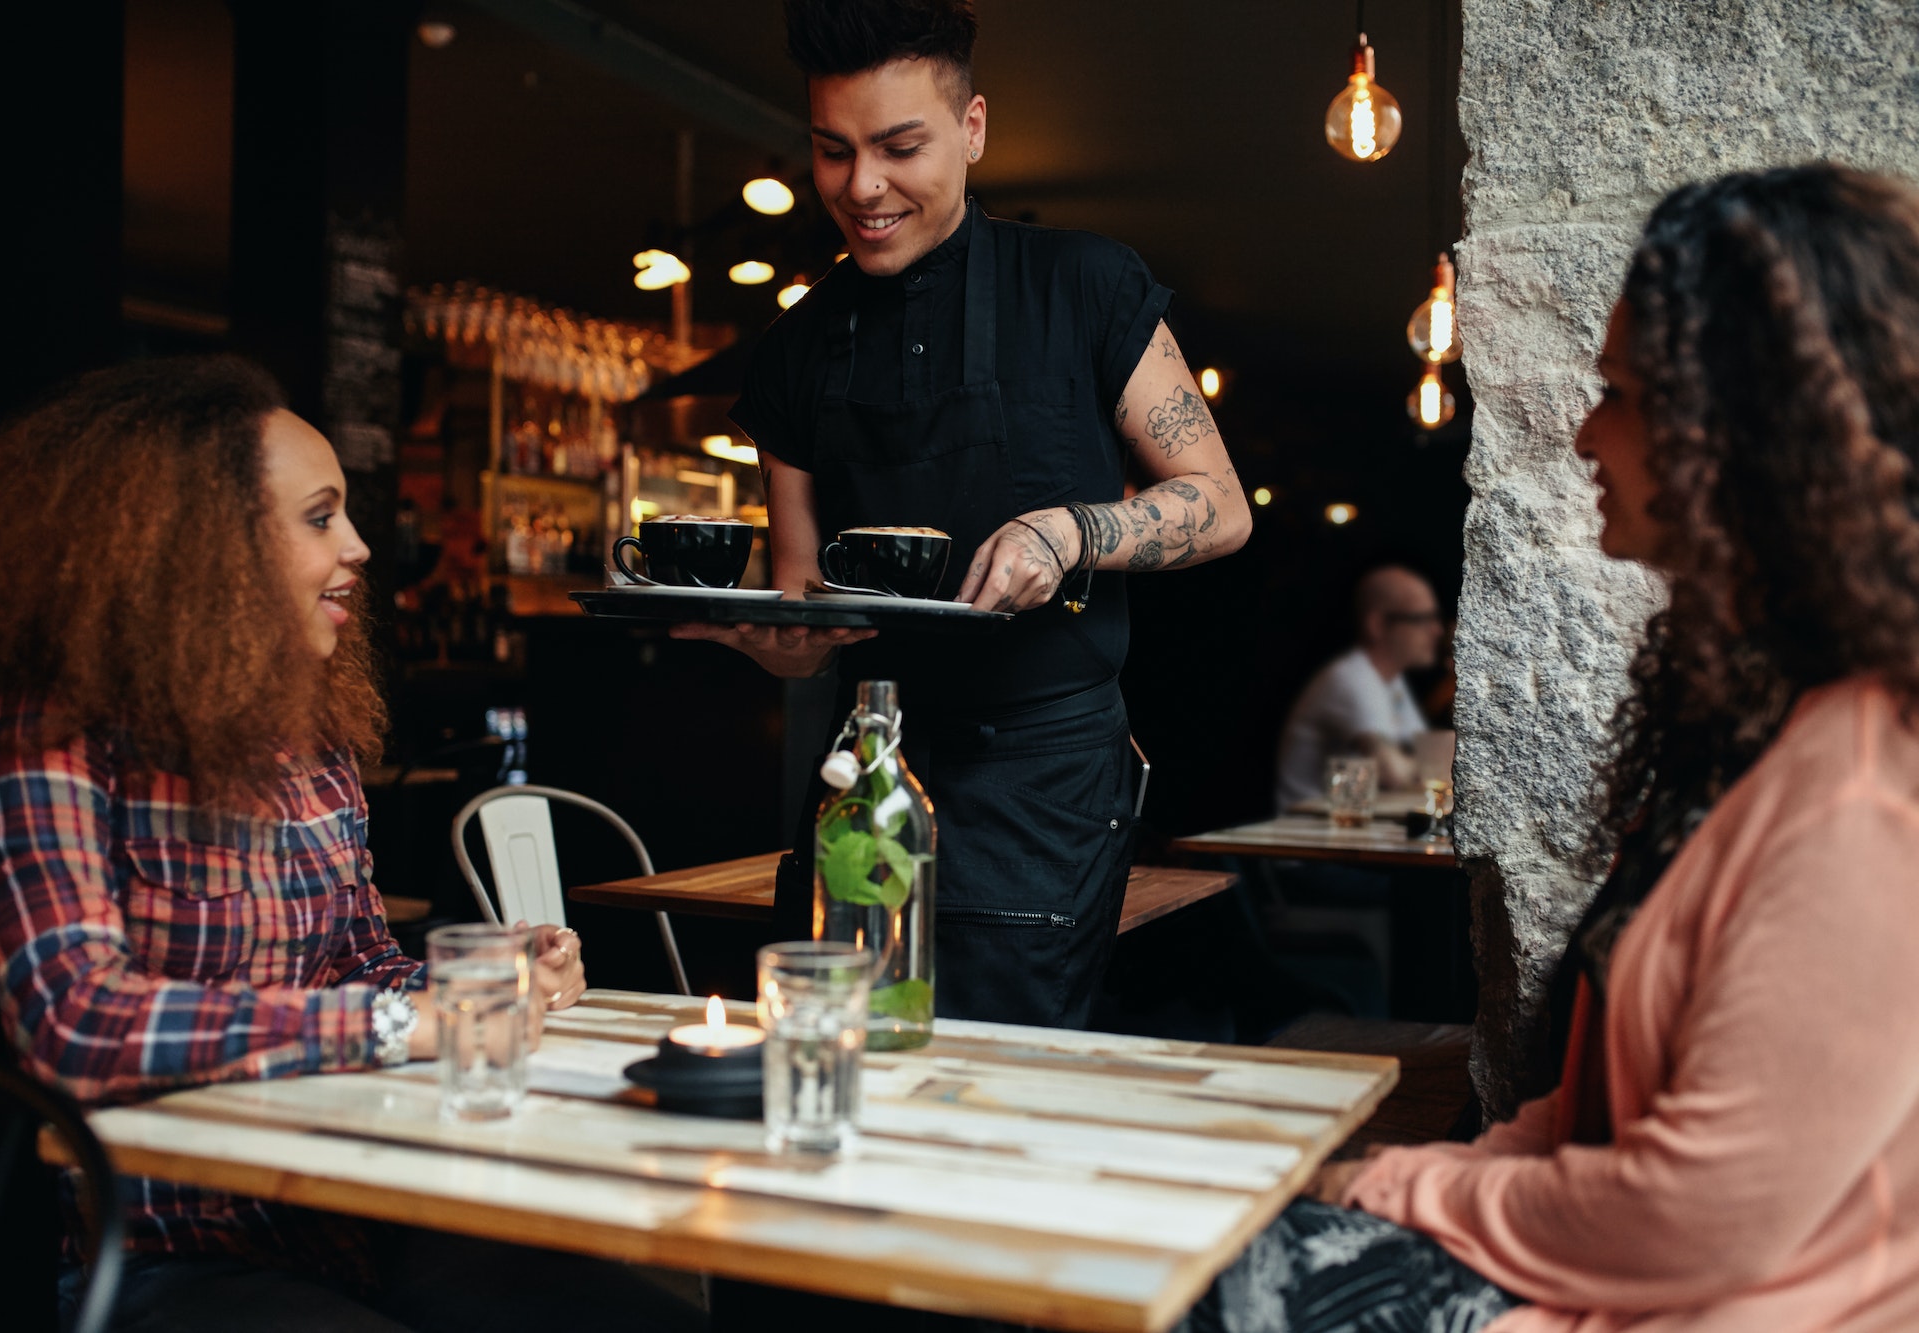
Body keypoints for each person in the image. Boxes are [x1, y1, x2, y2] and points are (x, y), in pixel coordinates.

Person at [1217, 164, 1919, 1331]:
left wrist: (1396, 1181)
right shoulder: (1754, 720)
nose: (1584, 432)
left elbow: (1689, 1218)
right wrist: (1445, 1175)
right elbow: (1586, 1119)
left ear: (1739, 438)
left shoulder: (1863, 793)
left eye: (1621, 394)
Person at [0, 357, 697, 1333]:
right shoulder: (49, 733)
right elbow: (76, 1021)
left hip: (355, 1209)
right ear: (202, 545)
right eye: (321, 516)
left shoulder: (310, 736)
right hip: (154, 1253)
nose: (362, 546)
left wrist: (479, 979)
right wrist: (394, 1027)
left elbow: (358, 962)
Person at [674, 0, 1252, 1030]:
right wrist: (772, 642)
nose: (862, 187)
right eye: (832, 150)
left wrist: (1067, 532)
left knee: (1004, 1066)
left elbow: (1218, 505)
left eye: (900, 147)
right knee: (842, 1046)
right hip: (868, 770)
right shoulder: (792, 353)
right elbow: (805, 603)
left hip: (1042, 777)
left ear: (972, 128)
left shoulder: (1086, 286)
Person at [1273, 565, 1444, 810]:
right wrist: (1426, 767)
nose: (1436, 630)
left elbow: (1430, 758)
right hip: (1307, 834)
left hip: (1347, 828)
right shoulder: (1351, 678)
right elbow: (1393, 773)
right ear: (1377, 625)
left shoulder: (1392, 681)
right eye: (1421, 619)